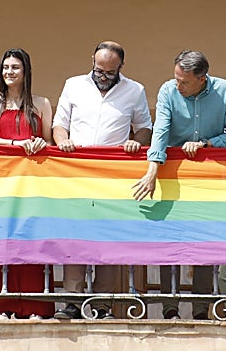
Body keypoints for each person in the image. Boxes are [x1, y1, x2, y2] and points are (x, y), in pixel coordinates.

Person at [133, 49, 226, 319]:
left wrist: (207, 143)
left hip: (207, 176)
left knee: (202, 240)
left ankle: (200, 310)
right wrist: (152, 171)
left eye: (184, 81)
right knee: (168, 238)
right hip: (172, 172)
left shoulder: (224, 90)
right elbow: (160, 130)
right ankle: (169, 307)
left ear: (202, 79)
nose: (178, 85)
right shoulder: (168, 91)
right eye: (176, 78)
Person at [52, 41, 153, 320]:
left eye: (110, 72)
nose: (103, 76)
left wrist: (135, 142)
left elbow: (145, 127)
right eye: (99, 70)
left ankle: (102, 304)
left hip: (112, 176)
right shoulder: (73, 85)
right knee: (76, 237)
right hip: (77, 174)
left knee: (107, 239)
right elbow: (59, 124)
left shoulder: (134, 90)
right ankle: (72, 302)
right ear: (92, 62)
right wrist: (63, 142)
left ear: (121, 67)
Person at [0, 48, 54, 320]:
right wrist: (16, 144)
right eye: (6, 67)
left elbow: (49, 141)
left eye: (15, 67)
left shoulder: (42, 103)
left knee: (32, 241)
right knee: (3, 241)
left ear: (26, 72)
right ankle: (0, 306)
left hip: (33, 183)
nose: (9, 72)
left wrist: (39, 143)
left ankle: (35, 306)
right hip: (2, 180)